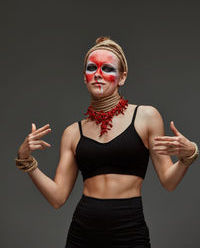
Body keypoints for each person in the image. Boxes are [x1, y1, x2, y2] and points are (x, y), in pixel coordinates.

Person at [15, 36, 199, 248]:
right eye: (92, 68)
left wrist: (189, 153)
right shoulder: (73, 132)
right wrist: (26, 160)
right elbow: (57, 198)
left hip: (129, 229)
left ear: (122, 77)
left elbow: (169, 181)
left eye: (108, 69)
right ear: (85, 78)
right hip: (83, 231)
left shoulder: (146, 116)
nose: (98, 75)